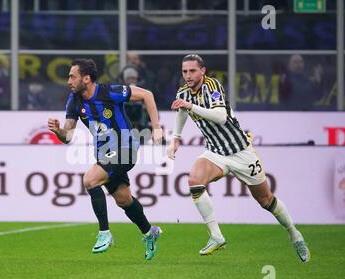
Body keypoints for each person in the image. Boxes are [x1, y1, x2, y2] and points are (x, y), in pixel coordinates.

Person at [167, 54, 310, 262]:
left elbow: (220, 117)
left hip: (241, 152)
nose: (188, 75)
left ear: (203, 71)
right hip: (216, 152)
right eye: (184, 71)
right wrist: (176, 138)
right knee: (194, 181)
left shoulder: (213, 86)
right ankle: (216, 237)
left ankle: (295, 235)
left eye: (192, 71)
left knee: (265, 200)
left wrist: (191, 107)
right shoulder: (184, 93)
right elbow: (181, 112)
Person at [47, 58, 163, 260]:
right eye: (68, 77)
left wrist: (156, 128)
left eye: (72, 76)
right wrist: (58, 131)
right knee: (124, 199)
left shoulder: (110, 92)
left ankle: (104, 233)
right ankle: (149, 233)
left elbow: (147, 95)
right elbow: (68, 136)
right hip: (104, 153)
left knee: (90, 180)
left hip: (125, 148)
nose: (69, 81)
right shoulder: (74, 101)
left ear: (87, 78)